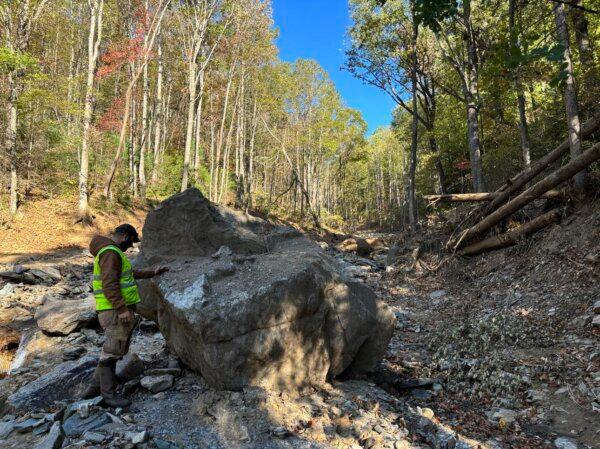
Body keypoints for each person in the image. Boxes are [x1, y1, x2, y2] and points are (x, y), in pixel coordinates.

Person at [83, 223, 168, 407]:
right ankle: (109, 396)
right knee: (112, 352)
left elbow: (127, 274)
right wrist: (121, 309)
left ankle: (92, 391)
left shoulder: (111, 253)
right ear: (124, 236)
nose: (130, 246)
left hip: (111, 310)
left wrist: (152, 273)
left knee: (111, 350)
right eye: (130, 241)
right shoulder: (111, 253)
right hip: (113, 311)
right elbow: (109, 284)